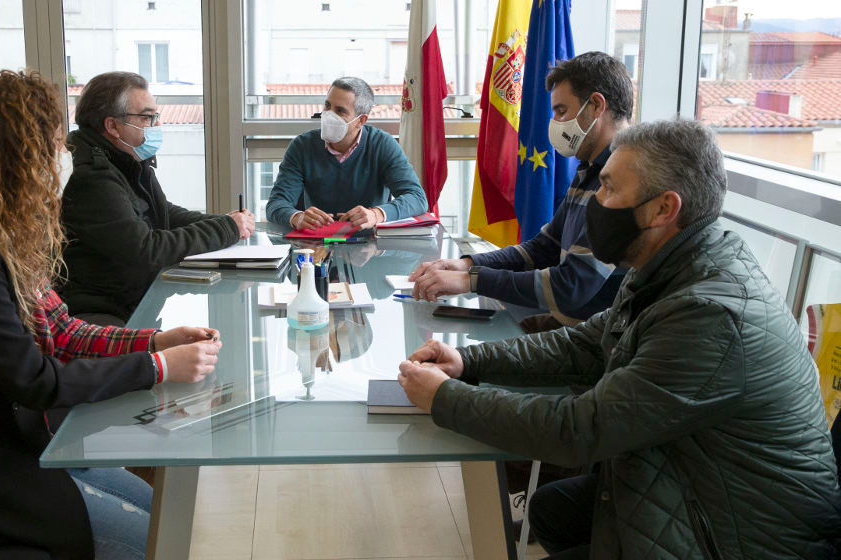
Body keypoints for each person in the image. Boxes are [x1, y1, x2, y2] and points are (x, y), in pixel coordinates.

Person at [397, 119, 841, 559]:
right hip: (695, 482)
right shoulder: (668, 264)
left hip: (740, 537)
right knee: (550, 509)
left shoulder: (710, 317)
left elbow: (582, 429)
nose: (598, 204)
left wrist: (447, 399)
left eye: (610, 189)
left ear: (664, 208)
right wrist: (468, 362)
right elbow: (586, 344)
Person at [0, 70, 224, 560]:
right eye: (46, 153)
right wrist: (157, 368)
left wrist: (154, 343)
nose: (54, 168)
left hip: (4, 439)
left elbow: (62, 329)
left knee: (155, 512)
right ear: (14, 160)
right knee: (146, 540)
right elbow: (36, 381)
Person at [410, 52, 632, 333]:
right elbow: (543, 248)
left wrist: (472, 280)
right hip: (566, 328)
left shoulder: (622, 180)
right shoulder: (589, 169)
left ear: (597, 105)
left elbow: (571, 286)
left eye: (562, 111)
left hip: (590, 342)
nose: (555, 121)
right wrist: (466, 264)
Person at [61, 71, 255, 326]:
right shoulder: (92, 178)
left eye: (156, 117)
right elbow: (146, 250)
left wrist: (226, 221)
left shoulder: (126, 160)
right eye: (147, 117)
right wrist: (226, 228)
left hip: (132, 304)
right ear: (112, 126)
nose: (156, 126)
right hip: (104, 318)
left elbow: (163, 213)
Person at [265, 76, 428, 231]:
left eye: (340, 111)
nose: (328, 115)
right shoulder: (302, 146)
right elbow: (276, 204)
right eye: (327, 106)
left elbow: (416, 198)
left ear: (361, 121)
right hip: (316, 246)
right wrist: (296, 217)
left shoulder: (383, 145)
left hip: (372, 246)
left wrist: (376, 214)